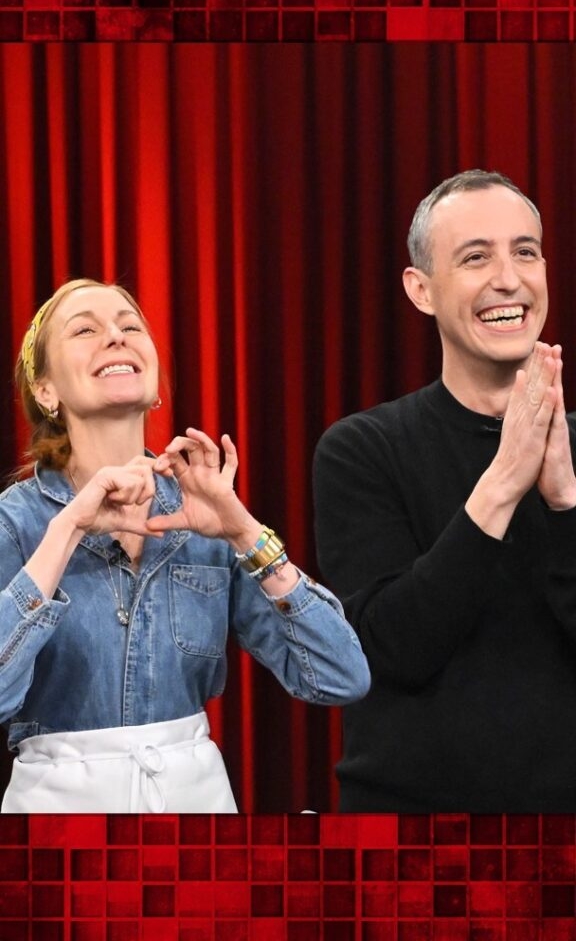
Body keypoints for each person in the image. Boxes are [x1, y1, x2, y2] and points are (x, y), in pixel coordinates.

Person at [0, 278, 370, 813]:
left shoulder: (205, 517)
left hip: (195, 814)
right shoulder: (15, 522)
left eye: (130, 326)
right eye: (85, 329)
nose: (116, 337)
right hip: (58, 823)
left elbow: (342, 677)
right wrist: (67, 530)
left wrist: (244, 531)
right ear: (45, 391)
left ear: (154, 386)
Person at [313, 169, 576, 813]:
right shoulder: (361, 450)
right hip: (415, 833)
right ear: (421, 289)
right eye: (475, 257)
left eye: (525, 252)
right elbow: (390, 651)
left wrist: (566, 505)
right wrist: (500, 487)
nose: (508, 278)